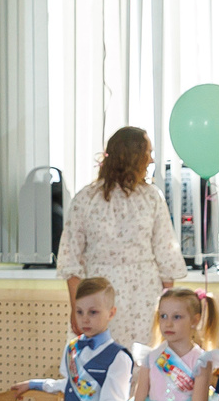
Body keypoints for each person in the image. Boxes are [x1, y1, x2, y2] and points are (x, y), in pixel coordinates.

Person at [54, 126, 187, 348]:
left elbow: (71, 261)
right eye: (148, 153)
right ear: (134, 157)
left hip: (128, 297)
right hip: (112, 296)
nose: (152, 159)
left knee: (137, 364)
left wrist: (167, 311)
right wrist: (78, 310)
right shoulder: (90, 199)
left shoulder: (89, 198)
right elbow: (71, 260)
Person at [31, 278, 137, 401]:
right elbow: (72, 385)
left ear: (111, 313)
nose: (85, 319)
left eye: (93, 312)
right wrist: (35, 384)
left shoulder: (119, 357)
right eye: (79, 312)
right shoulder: (72, 349)